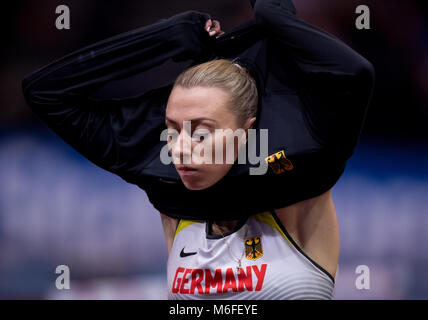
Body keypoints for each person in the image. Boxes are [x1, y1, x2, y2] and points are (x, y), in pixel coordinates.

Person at [22, 0, 375, 299]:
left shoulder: (301, 177)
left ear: (246, 133)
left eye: (201, 134)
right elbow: (44, 92)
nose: (181, 151)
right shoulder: (161, 174)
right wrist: (163, 40)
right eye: (172, 131)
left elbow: (354, 74)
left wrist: (276, 17)